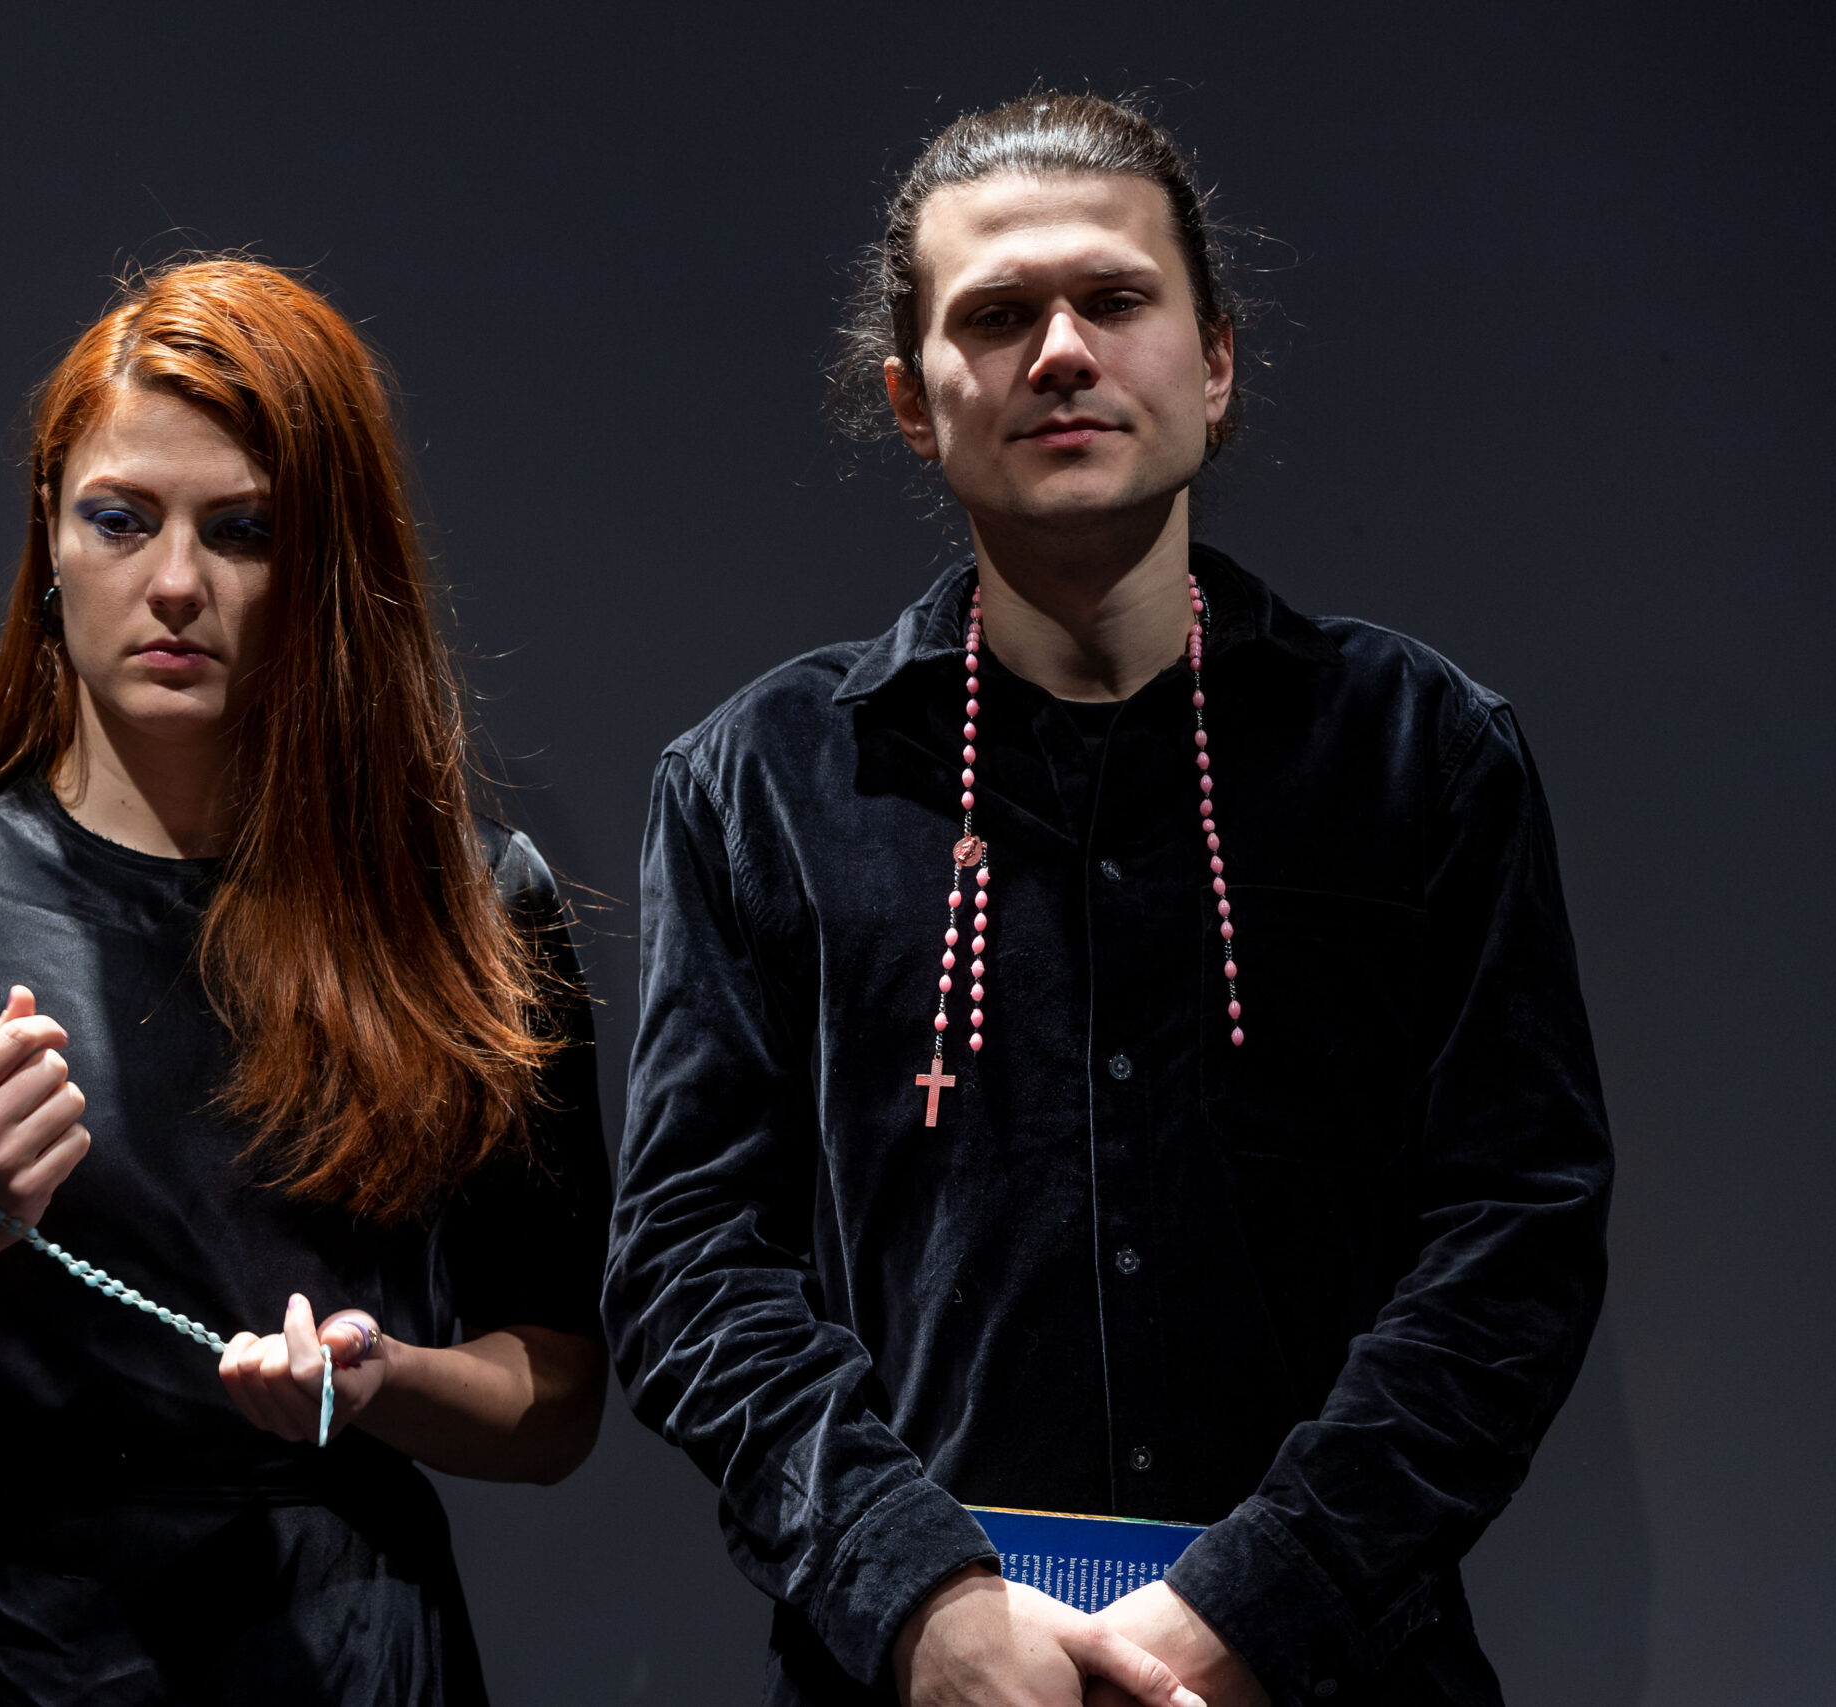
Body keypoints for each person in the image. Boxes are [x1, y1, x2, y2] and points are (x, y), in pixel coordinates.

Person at [604, 92, 1611, 1707]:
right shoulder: (760, 784)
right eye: (997, 316)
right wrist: (917, 1596)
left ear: (1214, 362)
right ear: (911, 399)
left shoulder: (1420, 751)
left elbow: (1519, 1234)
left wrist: (1262, 1602)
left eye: (1114, 299)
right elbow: (688, 1262)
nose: (1061, 352)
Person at [0, 257, 609, 1705]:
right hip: (4, 1655)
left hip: (340, 1652)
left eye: (243, 531)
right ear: (50, 538)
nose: (177, 584)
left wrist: (380, 1381)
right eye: (121, 519)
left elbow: (558, 1397)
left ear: (326, 566)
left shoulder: (464, 905)